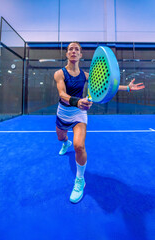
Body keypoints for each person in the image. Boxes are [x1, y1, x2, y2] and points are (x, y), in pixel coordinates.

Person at [54, 42, 145, 204]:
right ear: (67, 54)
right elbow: (62, 94)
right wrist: (77, 101)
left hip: (79, 114)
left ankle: (80, 180)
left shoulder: (86, 75)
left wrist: (128, 88)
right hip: (63, 112)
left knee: (79, 146)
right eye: (70, 49)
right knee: (61, 138)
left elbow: (107, 84)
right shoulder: (59, 74)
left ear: (81, 55)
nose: (73, 51)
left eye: (77, 49)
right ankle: (64, 143)